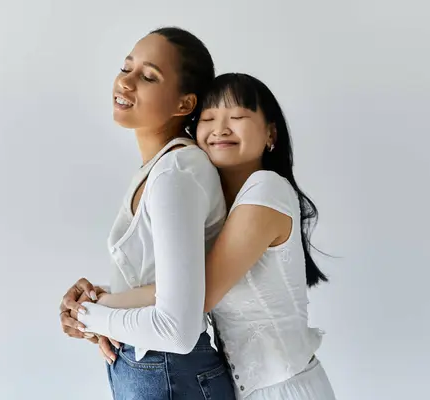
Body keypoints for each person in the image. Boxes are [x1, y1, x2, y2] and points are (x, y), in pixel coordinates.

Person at [73, 73, 337, 399]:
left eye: (237, 117)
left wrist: (95, 311)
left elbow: (198, 294)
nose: (220, 128)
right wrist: (103, 301)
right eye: (209, 118)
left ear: (271, 133)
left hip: (285, 390)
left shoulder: (266, 190)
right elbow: (177, 287)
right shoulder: (223, 207)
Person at [58, 27, 236, 399]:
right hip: (155, 369)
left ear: (184, 105)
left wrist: (87, 316)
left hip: (168, 371)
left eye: (148, 76)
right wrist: (95, 301)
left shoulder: (177, 173)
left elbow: (178, 329)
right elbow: (165, 287)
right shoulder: (163, 168)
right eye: (126, 67)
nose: (126, 81)